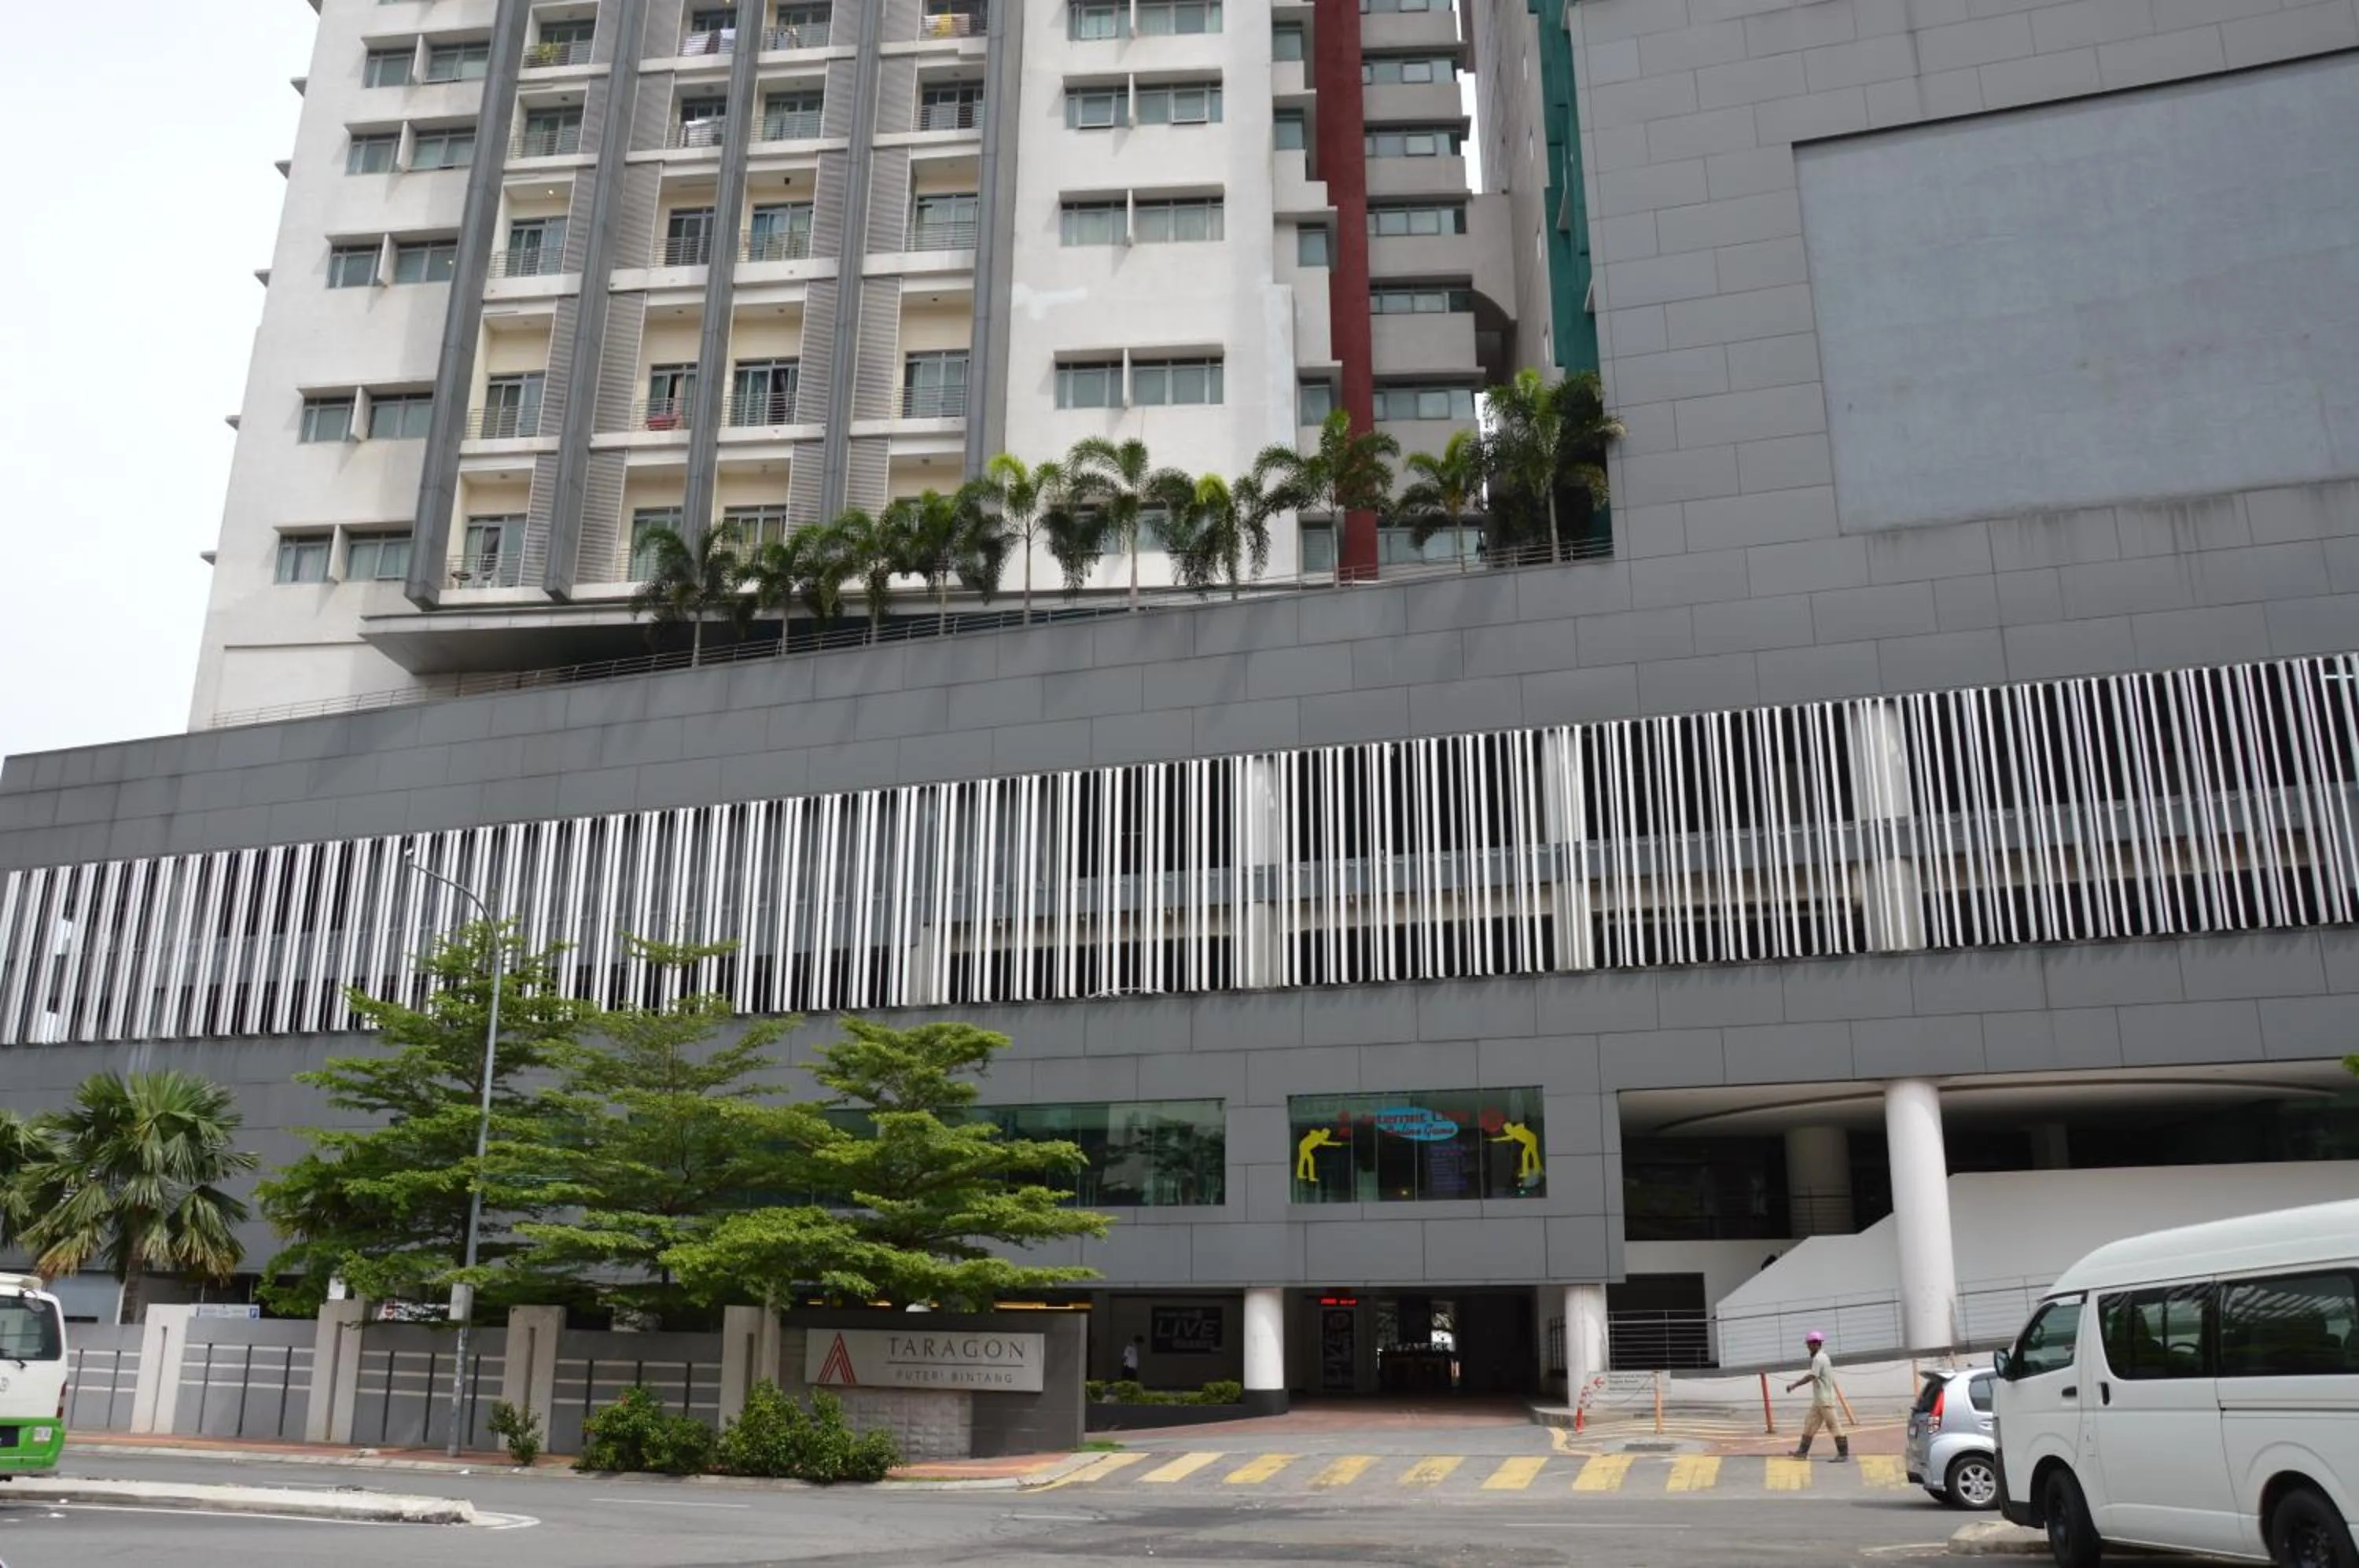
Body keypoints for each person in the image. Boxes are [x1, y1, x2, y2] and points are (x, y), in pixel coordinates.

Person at [1785, 1330, 1849, 1462]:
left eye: (1810, 1344)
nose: (1808, 1347)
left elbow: (1812, 1376)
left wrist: (1794, 1385)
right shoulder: (1820, 1357)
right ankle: (1802, 1452)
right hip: (1819, 1400)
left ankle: (1843, 1454)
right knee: (1810, 1424)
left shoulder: (1819, 1358)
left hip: (1825, 1400)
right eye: (1808, 1344)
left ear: (1817, 1344)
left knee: (1834, 1425)